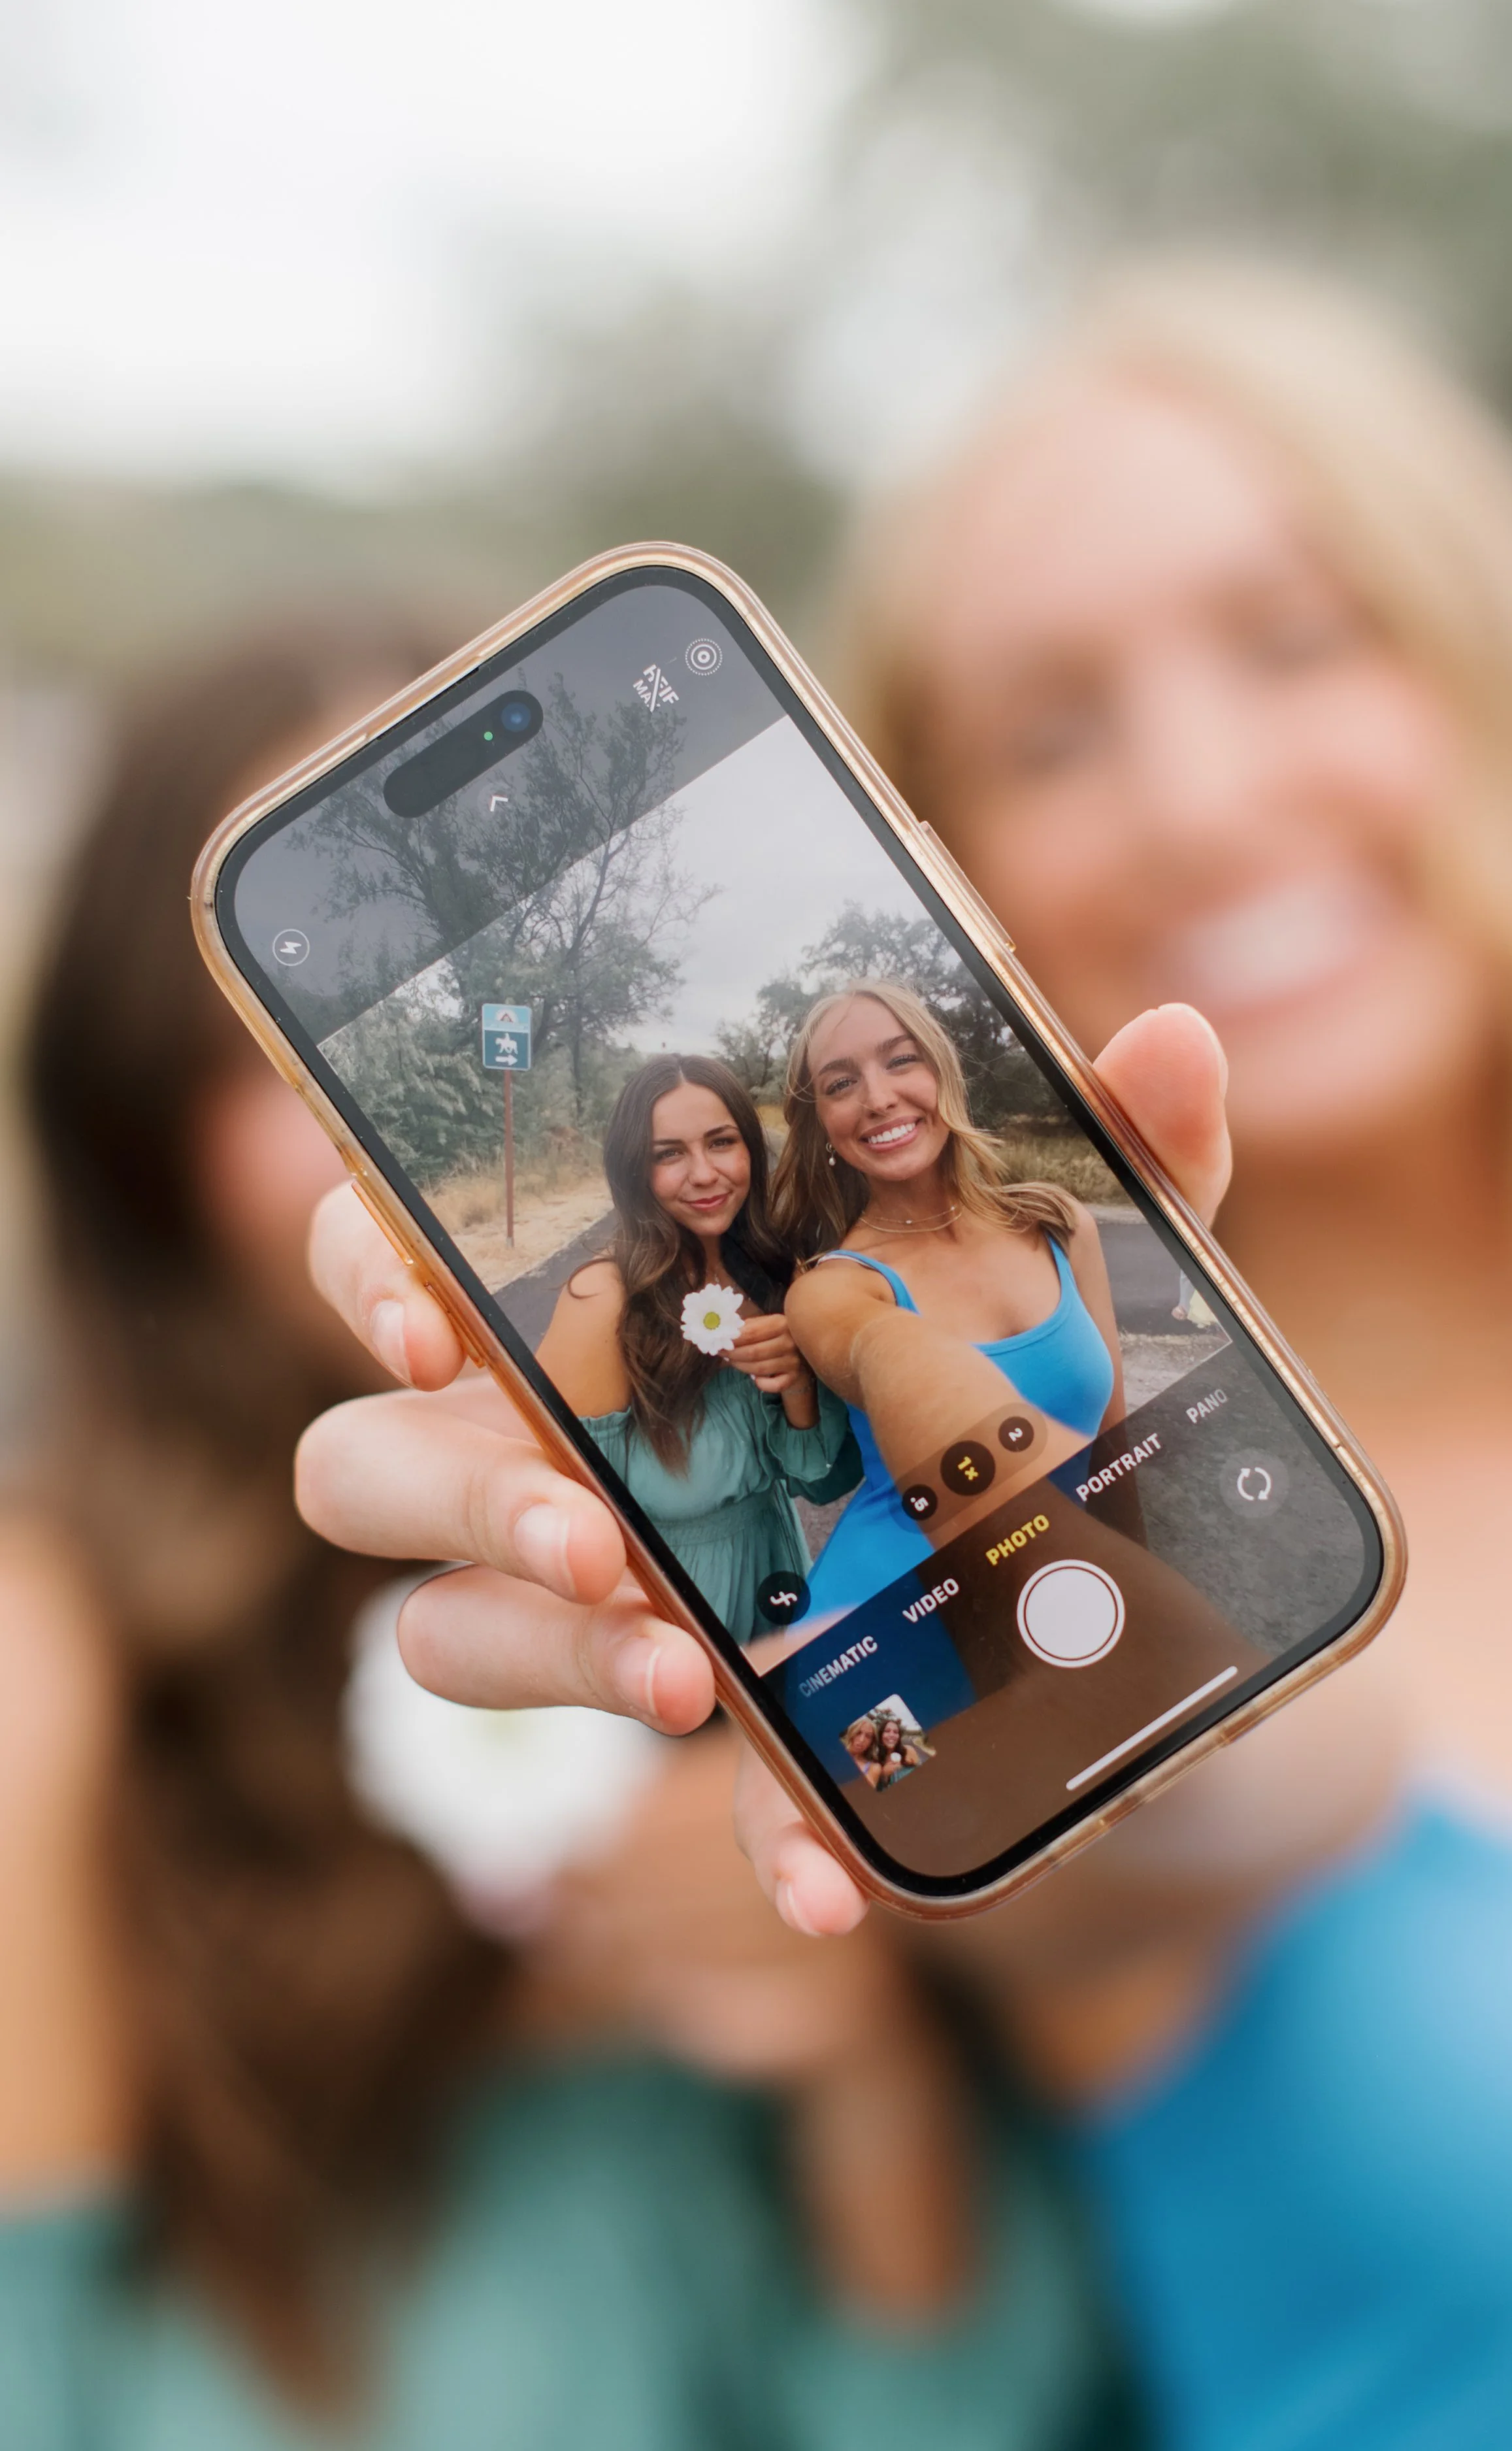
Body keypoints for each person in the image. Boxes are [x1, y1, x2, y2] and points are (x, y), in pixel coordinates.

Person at [0, 634, 1113, 2451]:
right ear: (138, 1131)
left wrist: (858, 2060)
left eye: (482, 1002)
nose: (377, 1109)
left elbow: (984, 2399)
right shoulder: (53, 1678)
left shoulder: (808, 1490)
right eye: (294, 1039)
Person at [824, 258, 1512, 2450]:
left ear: (1493, 670)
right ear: (942, 896)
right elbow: (1182, 1809)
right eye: (1051, 735)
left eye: (1296, 639)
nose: (1196, 797)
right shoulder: (1046, 1502)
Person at [772, 980, 1121, 1617]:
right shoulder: (831, 1288)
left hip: (1067, 1596)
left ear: (943, 1073)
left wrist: (1136, 1586)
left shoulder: (1060, 1225)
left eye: (901, 1060)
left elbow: (1117, 1454)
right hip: (889, 1630)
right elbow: (883, 1353)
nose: (877, 1099)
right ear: (820, 1123)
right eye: (840, 1083)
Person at [538, 1053, 858, 1642]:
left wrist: (798, 1383)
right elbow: (561, 1513)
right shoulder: (604, 1300)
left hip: (782, 1579)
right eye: (669, 1154)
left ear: (750, 1152)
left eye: (721, 1142)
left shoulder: (778, 1273)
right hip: (677, 1611)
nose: (705, 1174)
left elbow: (821, 1483)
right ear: (635, 1170)